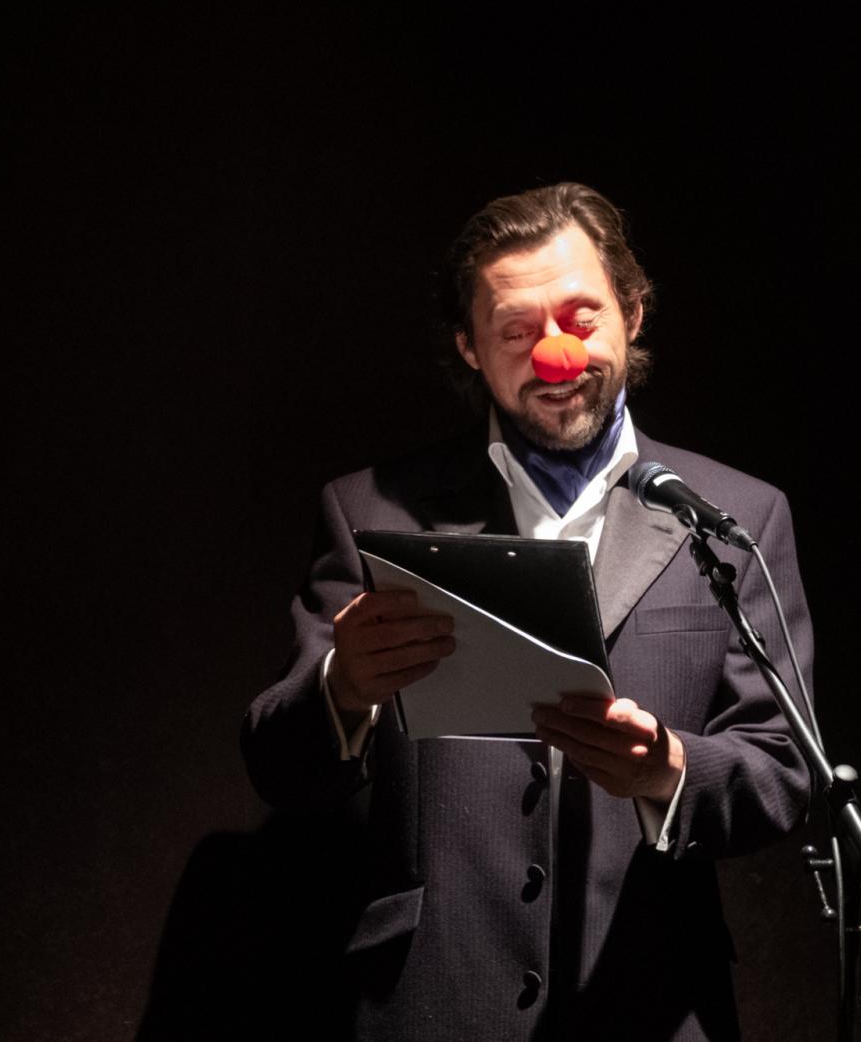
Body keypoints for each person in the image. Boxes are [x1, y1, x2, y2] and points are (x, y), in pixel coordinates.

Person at [241, 182, 815, 1041]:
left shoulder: (738, 518)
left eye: (581, 318)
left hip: (650, 1006)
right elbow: (280, 770)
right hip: (433, 1003)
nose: (556, 354)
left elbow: (783, 768)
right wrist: (342, 688)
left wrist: (667, 769)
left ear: (633, 312)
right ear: (470, 347)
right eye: (515, 331)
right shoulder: (369, 511)